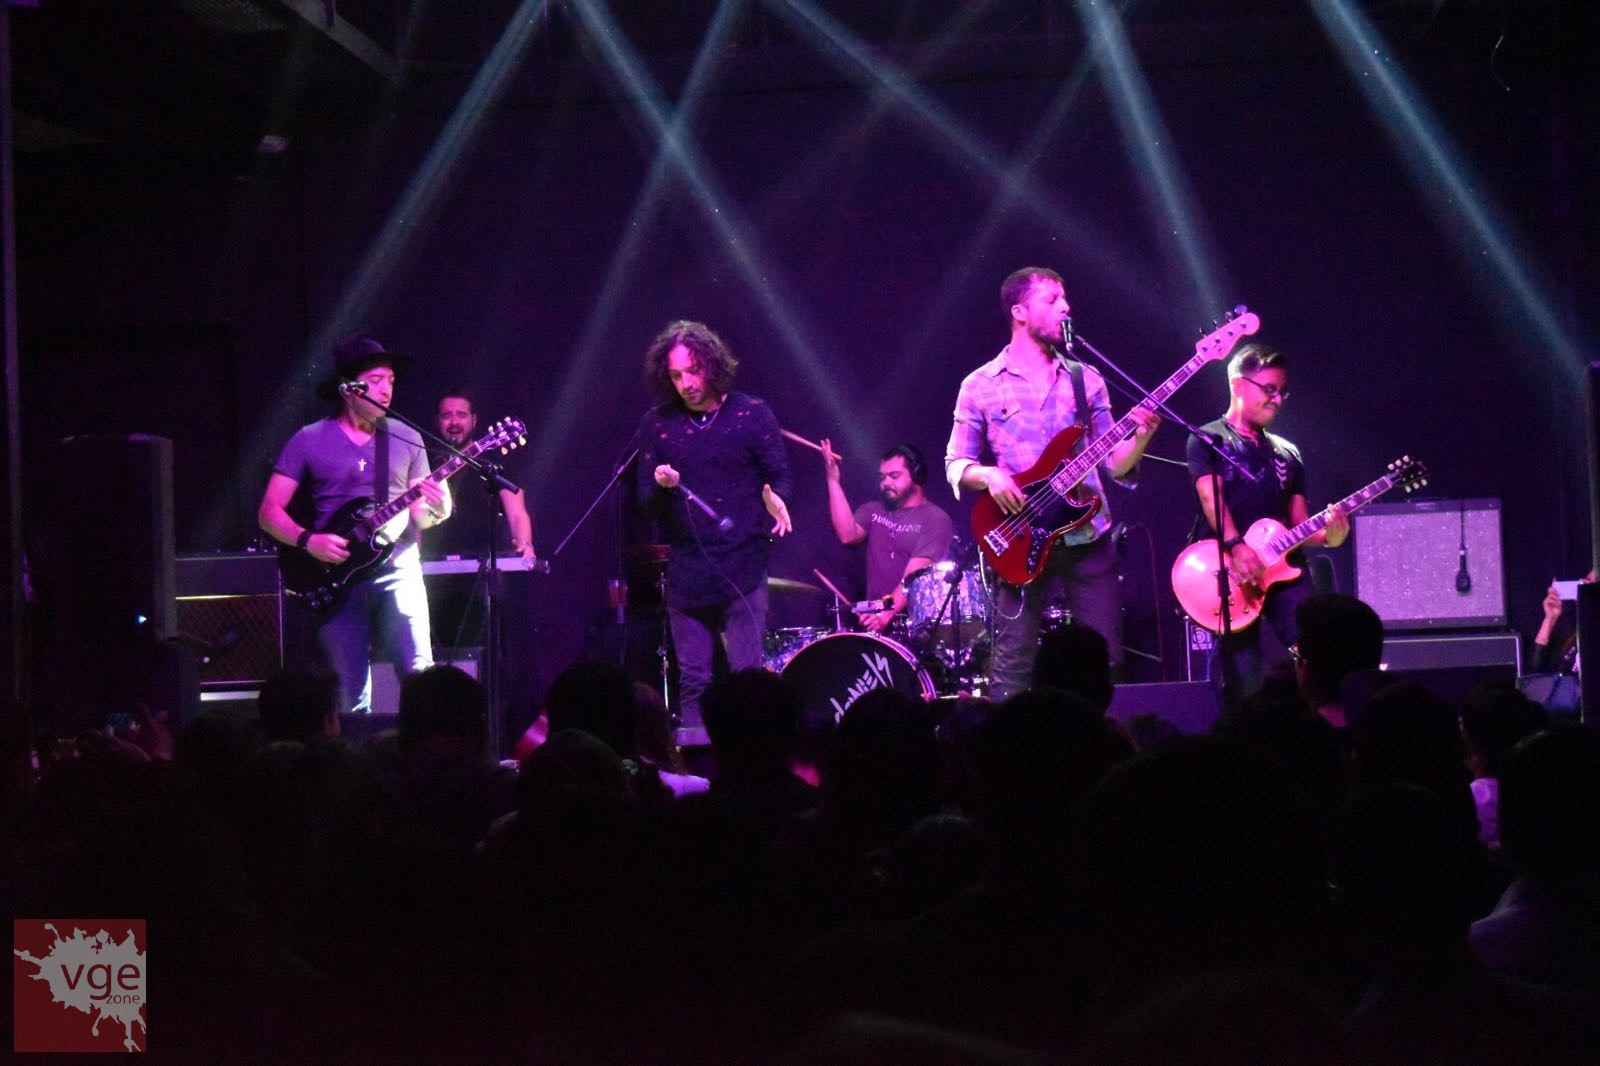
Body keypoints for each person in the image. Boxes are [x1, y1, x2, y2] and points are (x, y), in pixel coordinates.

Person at [945, 266, 1160, 699]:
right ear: (1019, 312)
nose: (1066, 307)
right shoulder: (980, 385)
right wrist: (988, 475)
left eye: (1065, 298)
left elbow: (1115, 465)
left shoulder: (1086, 379)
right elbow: (956, 463)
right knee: (1013, 665)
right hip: (1020, 536)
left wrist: (1141, 437)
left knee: (1105, 661)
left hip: (1088, 535)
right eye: (1052, 300)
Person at [258, 333, 450, 714]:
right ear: (348, 389)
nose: (386, 389)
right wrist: (307, 540)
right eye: (376, 380)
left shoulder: (407, 437)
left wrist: (440, 506)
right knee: (350, 696)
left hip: (399, 569)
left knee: (421, 678)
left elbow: (421, 517)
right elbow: (269, 513)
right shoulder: (309, 439)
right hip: (337, 577)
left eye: (390, 380)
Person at [636, 320, 793, 745]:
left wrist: (776, 498)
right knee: (693, 682)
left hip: (743, 566)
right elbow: (646, 504)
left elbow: (780, 474)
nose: (686, 384)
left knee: (748, 682)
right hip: (688, 575)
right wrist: (661, 486)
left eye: (693, 371)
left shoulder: (751, 414)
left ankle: (754, 762)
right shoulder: (659, 424)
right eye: (676, 375)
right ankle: (697, 767)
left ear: (711, 364)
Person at [1186, 342, 1347, 698]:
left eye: (1281, 391)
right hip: (1230, 569)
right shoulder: (1208, 439)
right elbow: (1212, 499)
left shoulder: (1287, 452)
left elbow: (1300, 523)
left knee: (1316, 652)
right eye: (1269, 389)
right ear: (1238, 385)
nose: (1277, 399)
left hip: (1283, 567)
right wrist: (1237, 546)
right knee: (1242, 673)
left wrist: (1330, 536)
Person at [820, 440, 953, 634]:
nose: (886, 483)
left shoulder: (935, 518)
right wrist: (833, 482)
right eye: (882, 477)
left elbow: (915, 577)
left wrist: (885, 614)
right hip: (876, 623)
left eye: (894, 476)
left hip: (915, 627)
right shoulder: (873, 510)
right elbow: (847, 535)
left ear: (916, 475)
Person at [425, 391, 537, 566]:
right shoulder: (426, 464)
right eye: (446, 416)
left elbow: (517, 514)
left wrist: (526, 545)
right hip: (432, 566)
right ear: (437, 421)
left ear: (474, 420)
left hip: (485, 565)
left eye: (461, 415)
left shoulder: (493, 463)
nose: (454, 422)